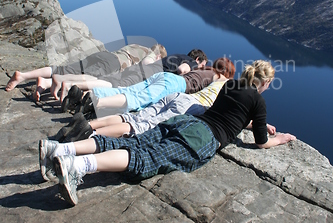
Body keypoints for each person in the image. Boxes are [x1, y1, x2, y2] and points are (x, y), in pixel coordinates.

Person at [39, 60, 296, 206]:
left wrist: (246, 123)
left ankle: (61, 149)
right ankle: (77, 166)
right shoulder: (258, 102)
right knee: (145, 159)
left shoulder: (229, 84)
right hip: (202, 139)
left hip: (185, 121)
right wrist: (280, 139)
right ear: (266, 83)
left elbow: (225, 113)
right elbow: (261, 143)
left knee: (137, 140)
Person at [59, 58, 236, 141]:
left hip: (165, 76)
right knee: (136, 101)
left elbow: (183, 69)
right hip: (177, 86)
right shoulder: (218, 77)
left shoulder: (202, 69)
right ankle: (94, 102)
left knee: (127, 90)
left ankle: (84, 95)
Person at [5, 43, 167, 101]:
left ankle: (23, 76)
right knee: (87, 78)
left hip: (105, 55)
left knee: (65, 68)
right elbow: (146, 63)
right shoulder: (152, 53)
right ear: (159, 55)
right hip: (113, 64)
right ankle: (48, 82)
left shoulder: (137, 45)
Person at [59, 49, 208, 109]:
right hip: (150, 74)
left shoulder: (178, 55)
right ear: (197, 59)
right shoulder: (190, 62)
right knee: (114, 85)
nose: (200, 69)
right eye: (202, 65)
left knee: (113, 80)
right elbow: (183, 70)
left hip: (142, 68)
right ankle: (73, 85)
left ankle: (76, 94)